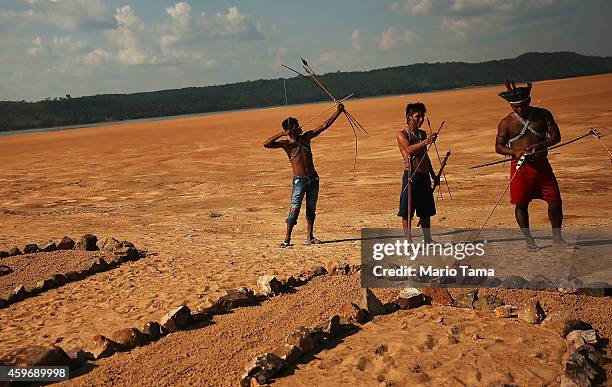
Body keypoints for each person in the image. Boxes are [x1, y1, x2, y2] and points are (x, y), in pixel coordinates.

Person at [495, 81, 573, 251]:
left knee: (555, 201)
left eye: (522, 106)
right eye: (516, 108)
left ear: (529, 100)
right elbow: (498, 147)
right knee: (521, 204)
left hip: (542, 165)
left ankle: (557, 239)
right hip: (520, 167)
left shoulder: (543, 115)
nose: (520, 110)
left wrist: (541, 145)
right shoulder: (506, 123)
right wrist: (515, 153)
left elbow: (556, 137)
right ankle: (529, 240)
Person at [263, 104, 345, 248]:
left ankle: (310, 237)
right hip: (299, 181)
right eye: (297, 126)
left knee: (311, 207)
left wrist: (338, 112)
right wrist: (281, 134)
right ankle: (287, 239)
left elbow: (324, 126)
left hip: (313, 178)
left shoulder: (306, 137)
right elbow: (266, 144)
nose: (300, 127)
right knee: (294, 208)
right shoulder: (287, 144)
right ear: (291, 130)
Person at [396, 102, 438, 243]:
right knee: (407, 212)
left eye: (422, 117)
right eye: (417, 116)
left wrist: (433, 175)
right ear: (409, 117)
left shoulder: (423, 134)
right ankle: (408, 241)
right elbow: (408, 149)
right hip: (411, 177)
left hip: (424, 176)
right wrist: (425, 142)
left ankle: (428, 240)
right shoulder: (402, 134)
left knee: (426, 212)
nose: (421, 120)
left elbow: (425, 156)